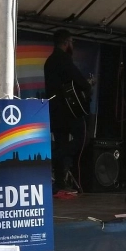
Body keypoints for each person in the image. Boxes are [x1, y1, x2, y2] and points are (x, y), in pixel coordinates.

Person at [43, 29, 92, 197]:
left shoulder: (49, 61)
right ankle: (57, 156)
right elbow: (78, 79)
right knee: (83, 139)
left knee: (61, 140)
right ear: (66, 42)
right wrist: (87, 86)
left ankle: (59, 184)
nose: (72, 45)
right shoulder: (63, 59)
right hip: (68, 112)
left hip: (55, 111)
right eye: (71, 42)